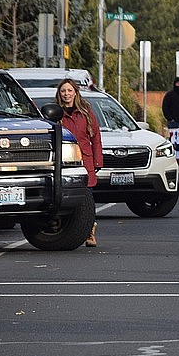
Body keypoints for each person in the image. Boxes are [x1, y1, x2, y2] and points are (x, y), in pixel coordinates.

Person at [56, 79, 102, 247]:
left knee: (86, 197)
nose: (66, 94)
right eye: (63, 91)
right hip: (64, 161)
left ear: (75, 92)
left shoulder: (85, 111)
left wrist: (98, 160)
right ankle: (70, 229)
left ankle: (90, 230)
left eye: (69, 90)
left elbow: (95, 137)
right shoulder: (56, 113)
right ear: (59, 94)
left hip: (85, 160)